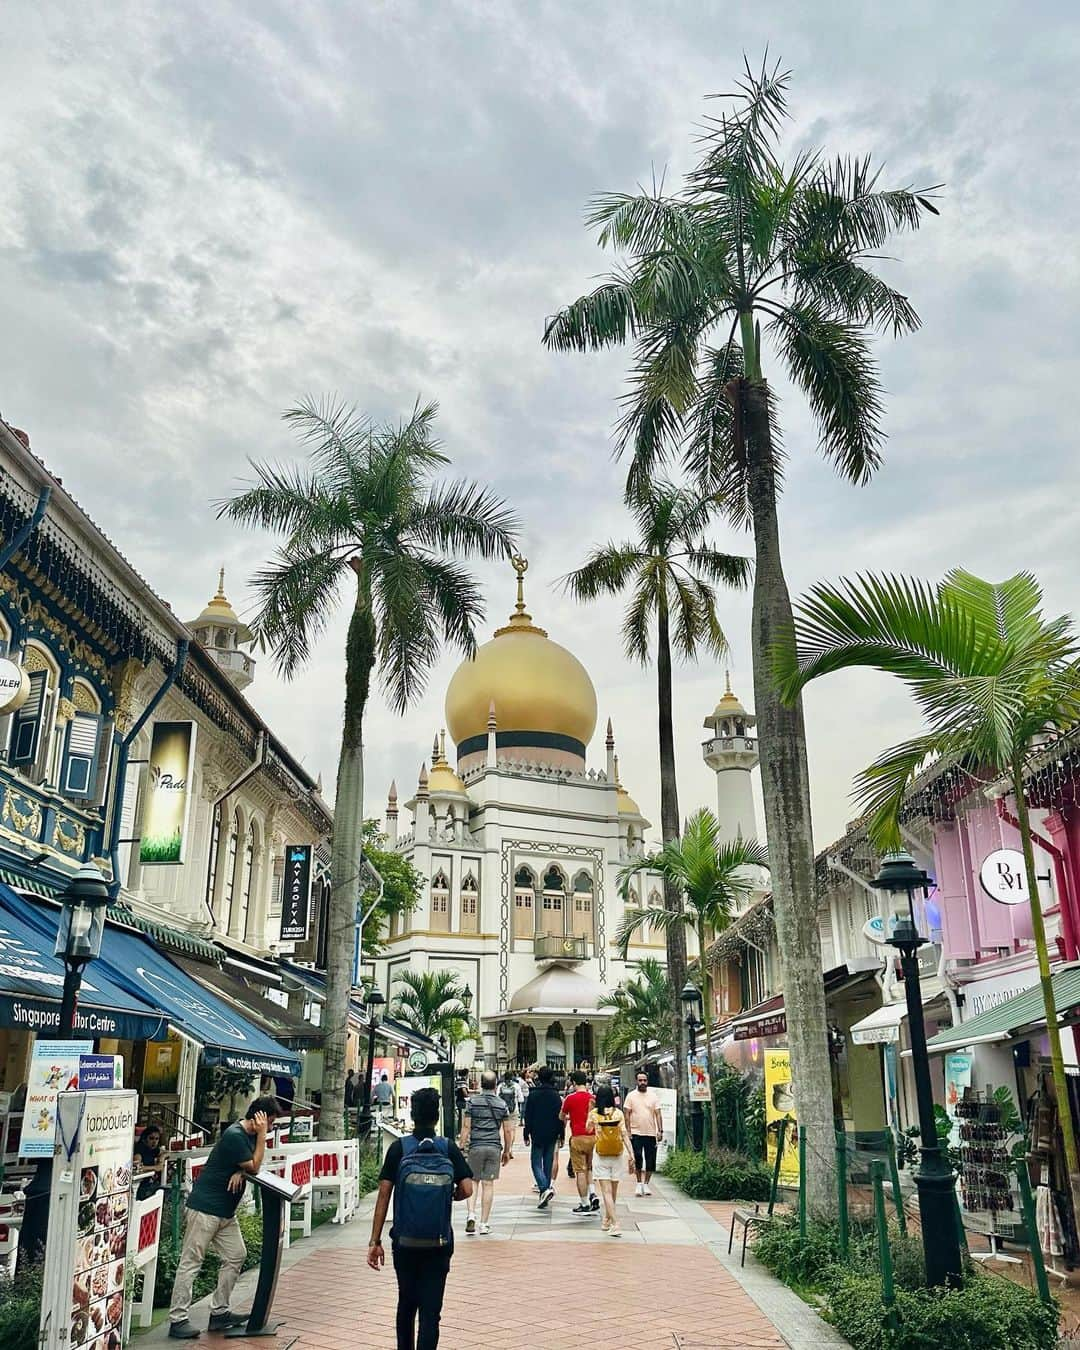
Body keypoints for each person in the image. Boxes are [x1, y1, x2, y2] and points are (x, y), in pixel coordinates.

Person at [368, 1086, 472, 1350]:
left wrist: (375, 1240)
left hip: (405, 1242)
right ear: (436, 1117)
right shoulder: (447, 1148)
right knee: (431, 1311)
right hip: (439, 1242)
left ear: (412, 1115)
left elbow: (383, 1196)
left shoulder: (399, 1149)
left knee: (406, 1305)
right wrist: (449, 1196)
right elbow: (468, 1189)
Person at [168, 1096, 280, 1339]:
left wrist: (241, 1170)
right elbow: (256, 1166)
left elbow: (252, 1164)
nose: (271, 1128)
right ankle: (177, 1319)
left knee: (236, 1255)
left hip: (225, 1214)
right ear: (259, 1117)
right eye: (269, 1122)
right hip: (205, 1210)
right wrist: (253, 1155)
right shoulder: (236, 1136)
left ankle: (219, 1313)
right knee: (191, 1262)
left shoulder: (248, 1137)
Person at [459, 1070, 512, 1235]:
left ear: (481, 1084)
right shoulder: (501, 1104)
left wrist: (461, 1146)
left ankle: (471, 1214)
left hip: (475, 1146)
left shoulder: (472, 1103)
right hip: (494, 1147)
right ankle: (484, 1223)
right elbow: (508, 1130)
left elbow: (466, 1127)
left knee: (473, 1181)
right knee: (488, 1184)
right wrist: (507, 1151)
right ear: (496, 1084)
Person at [588, 1082, 634, 1236]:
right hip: (617, 1154)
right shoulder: (618, 1113)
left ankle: (615, 1223)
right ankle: (607, 1219)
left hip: (601, 1154)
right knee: (613, 1191)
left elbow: (588, 1128)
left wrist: (590, 1114)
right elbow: (624, 1135)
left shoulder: (595, 1113)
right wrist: (631, 1154)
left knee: (606, 1192)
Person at [521, 1064, 562, 1208]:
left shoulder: (534, 1094)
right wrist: (561, 1134)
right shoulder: (556, 1095)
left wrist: (526, 1133)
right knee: (548, 1162)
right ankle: (545, 1191)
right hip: (552, 1132)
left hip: (537, 1132)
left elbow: (528, 1115)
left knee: (535, 1162)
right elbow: (560, 1117)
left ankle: (544, 1188)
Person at [560, 1070, 598, 1215]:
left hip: (577, 1137)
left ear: (574, 1082)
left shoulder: (570, 1098)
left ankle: (584, 1203)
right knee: (589, 1167)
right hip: (592, 1137)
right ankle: (593, 1193)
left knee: (580, 1171)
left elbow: (561, 1116)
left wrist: (569, 1119)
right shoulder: (592, 1098)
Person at [623, 1068, 664, 1196]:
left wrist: (660, 1130)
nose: (642, 1082)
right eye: (640, 1080)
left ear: (647, 1081)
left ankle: (646, 1184)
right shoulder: (631, 1096)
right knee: (638, 1157)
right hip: (636, 1132)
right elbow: (626, 1114)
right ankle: (639, 1183)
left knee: (650, 1160)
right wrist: (628, 1131)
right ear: (636, 1081)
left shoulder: (653, 1096)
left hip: (650, 1133)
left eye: (644, 1080)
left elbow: (658, 1114)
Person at [134, 1124, 165, 1201]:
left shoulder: (153, 1149)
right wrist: (156, 1167)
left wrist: (162, 1158)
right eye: (151, 1138)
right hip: (139, 1185)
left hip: (149, 1183)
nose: (154, 1141)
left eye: (157, 1139)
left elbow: (166, 1153)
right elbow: (136, 1168)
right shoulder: (139, 1151)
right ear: (145, 1139)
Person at [497, 1071, 521, 1156]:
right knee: (512, 1129)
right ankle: (510, 1149)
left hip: (502, 1109)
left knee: (505, 1130)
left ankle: (506, 1147)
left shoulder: (500, 1086)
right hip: (513, 1109)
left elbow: (497, 1097)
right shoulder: (516, 1086)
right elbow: (521, 1099)